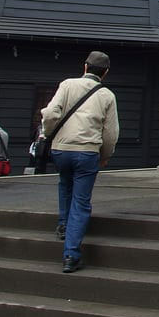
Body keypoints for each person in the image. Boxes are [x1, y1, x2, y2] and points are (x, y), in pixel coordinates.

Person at [41, 51, 119, 274]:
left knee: (65, 183)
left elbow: (50, 114)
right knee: (81, 202)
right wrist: (105, 155)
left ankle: (63, 224)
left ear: (85, 67)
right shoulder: (107, 96)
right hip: (87, 152)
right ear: (105, 73)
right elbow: (111, 133)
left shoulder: (67, 85)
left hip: (61, 149)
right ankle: (71, 255)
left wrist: (49, 134)